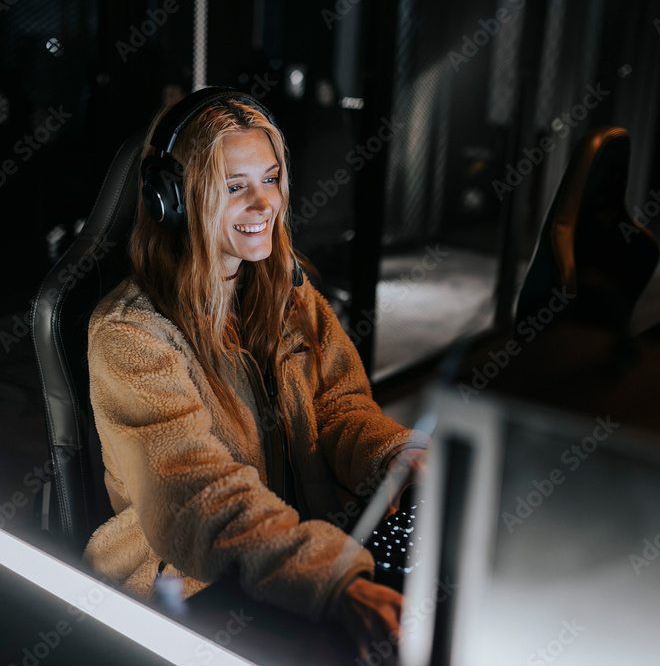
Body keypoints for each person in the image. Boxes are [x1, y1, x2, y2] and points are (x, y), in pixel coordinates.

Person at [83, 87, 427, 660]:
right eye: (235, 187)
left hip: (296, 545)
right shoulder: (129, 336)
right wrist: (333, 580)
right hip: (189, 581)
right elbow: (198, 495)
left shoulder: (287, 293)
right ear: (176, 200)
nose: (264, 203)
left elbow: (338, 405)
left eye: (270, 179)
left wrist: (389, 454)